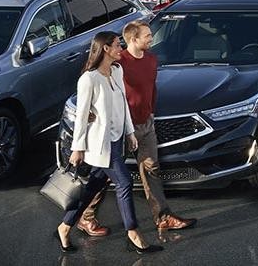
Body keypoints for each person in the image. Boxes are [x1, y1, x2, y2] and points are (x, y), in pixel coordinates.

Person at [78, 20, 197, 237]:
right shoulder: (117, 61)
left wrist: (150, 110)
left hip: (145, 124)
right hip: (121, 128)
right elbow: (93, 83)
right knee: (104, 175)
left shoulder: (151, 59)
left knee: (152, 169)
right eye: (148, 36)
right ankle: (85, 217)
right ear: (134, 39)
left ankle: (163, 217)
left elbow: (151, 87)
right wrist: (92, 114)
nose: (152, 39)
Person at [55, 31, 163, 255]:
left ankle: (65, 226)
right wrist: (78, 148)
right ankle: (134, 234)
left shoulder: (116, 71)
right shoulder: (89, 79)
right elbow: (83, 115)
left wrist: (130, 133)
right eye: (116, 45)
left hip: (117, 141)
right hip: (99, 145)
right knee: (123, 183)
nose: (120, 48)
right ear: (105, 49)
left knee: (94, 185)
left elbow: (123, 104)